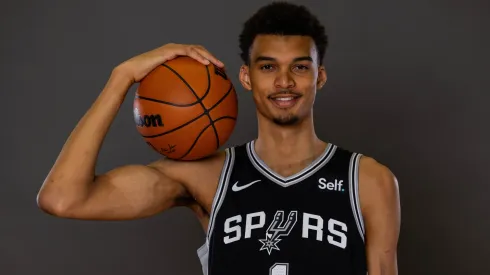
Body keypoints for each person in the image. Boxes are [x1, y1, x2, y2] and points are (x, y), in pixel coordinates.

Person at [37, 2, 400, 275]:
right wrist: (122, 77)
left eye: (300, 67)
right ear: (246, 77)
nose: (285, 81)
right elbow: (63, 198)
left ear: (319, 77)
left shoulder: (368, 180)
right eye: (268, 66)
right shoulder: (207, 177)